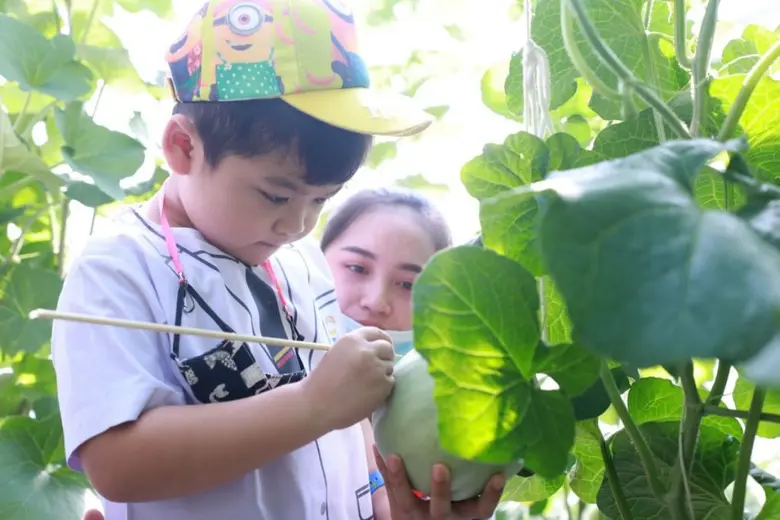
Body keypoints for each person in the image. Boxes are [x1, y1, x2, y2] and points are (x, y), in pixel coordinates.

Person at [58, 1, 505, 519]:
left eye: (321, 199)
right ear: (183, 146)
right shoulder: (119, 269)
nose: (297, 224)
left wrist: (390, 507)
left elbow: (348, 422)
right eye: (275, 195)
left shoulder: (300, 261)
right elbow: (117, 464)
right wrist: (311, 405)